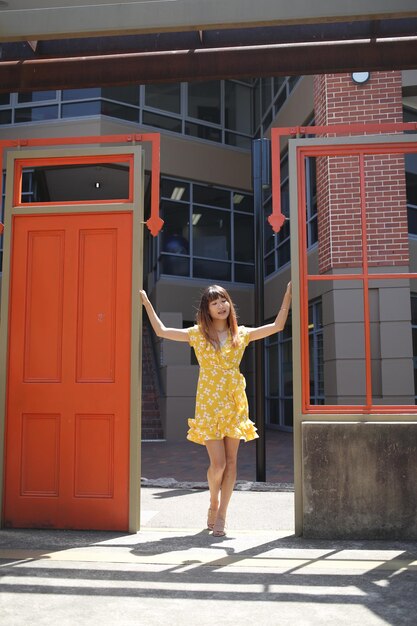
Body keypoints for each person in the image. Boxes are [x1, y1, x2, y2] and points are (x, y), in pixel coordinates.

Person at [140, 282, 292, 536]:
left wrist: (287, 295)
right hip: (209, 404)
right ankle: (213, 502)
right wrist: (146, 302)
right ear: (207, 309)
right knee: (218, 464)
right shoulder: (197, 334)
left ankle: (222, 514)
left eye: (224, 301)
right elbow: (162, 330)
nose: (221, 306)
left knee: (232, 462)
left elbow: (277, 326)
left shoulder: (241, 334)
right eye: (215, 302)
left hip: (234, 402)